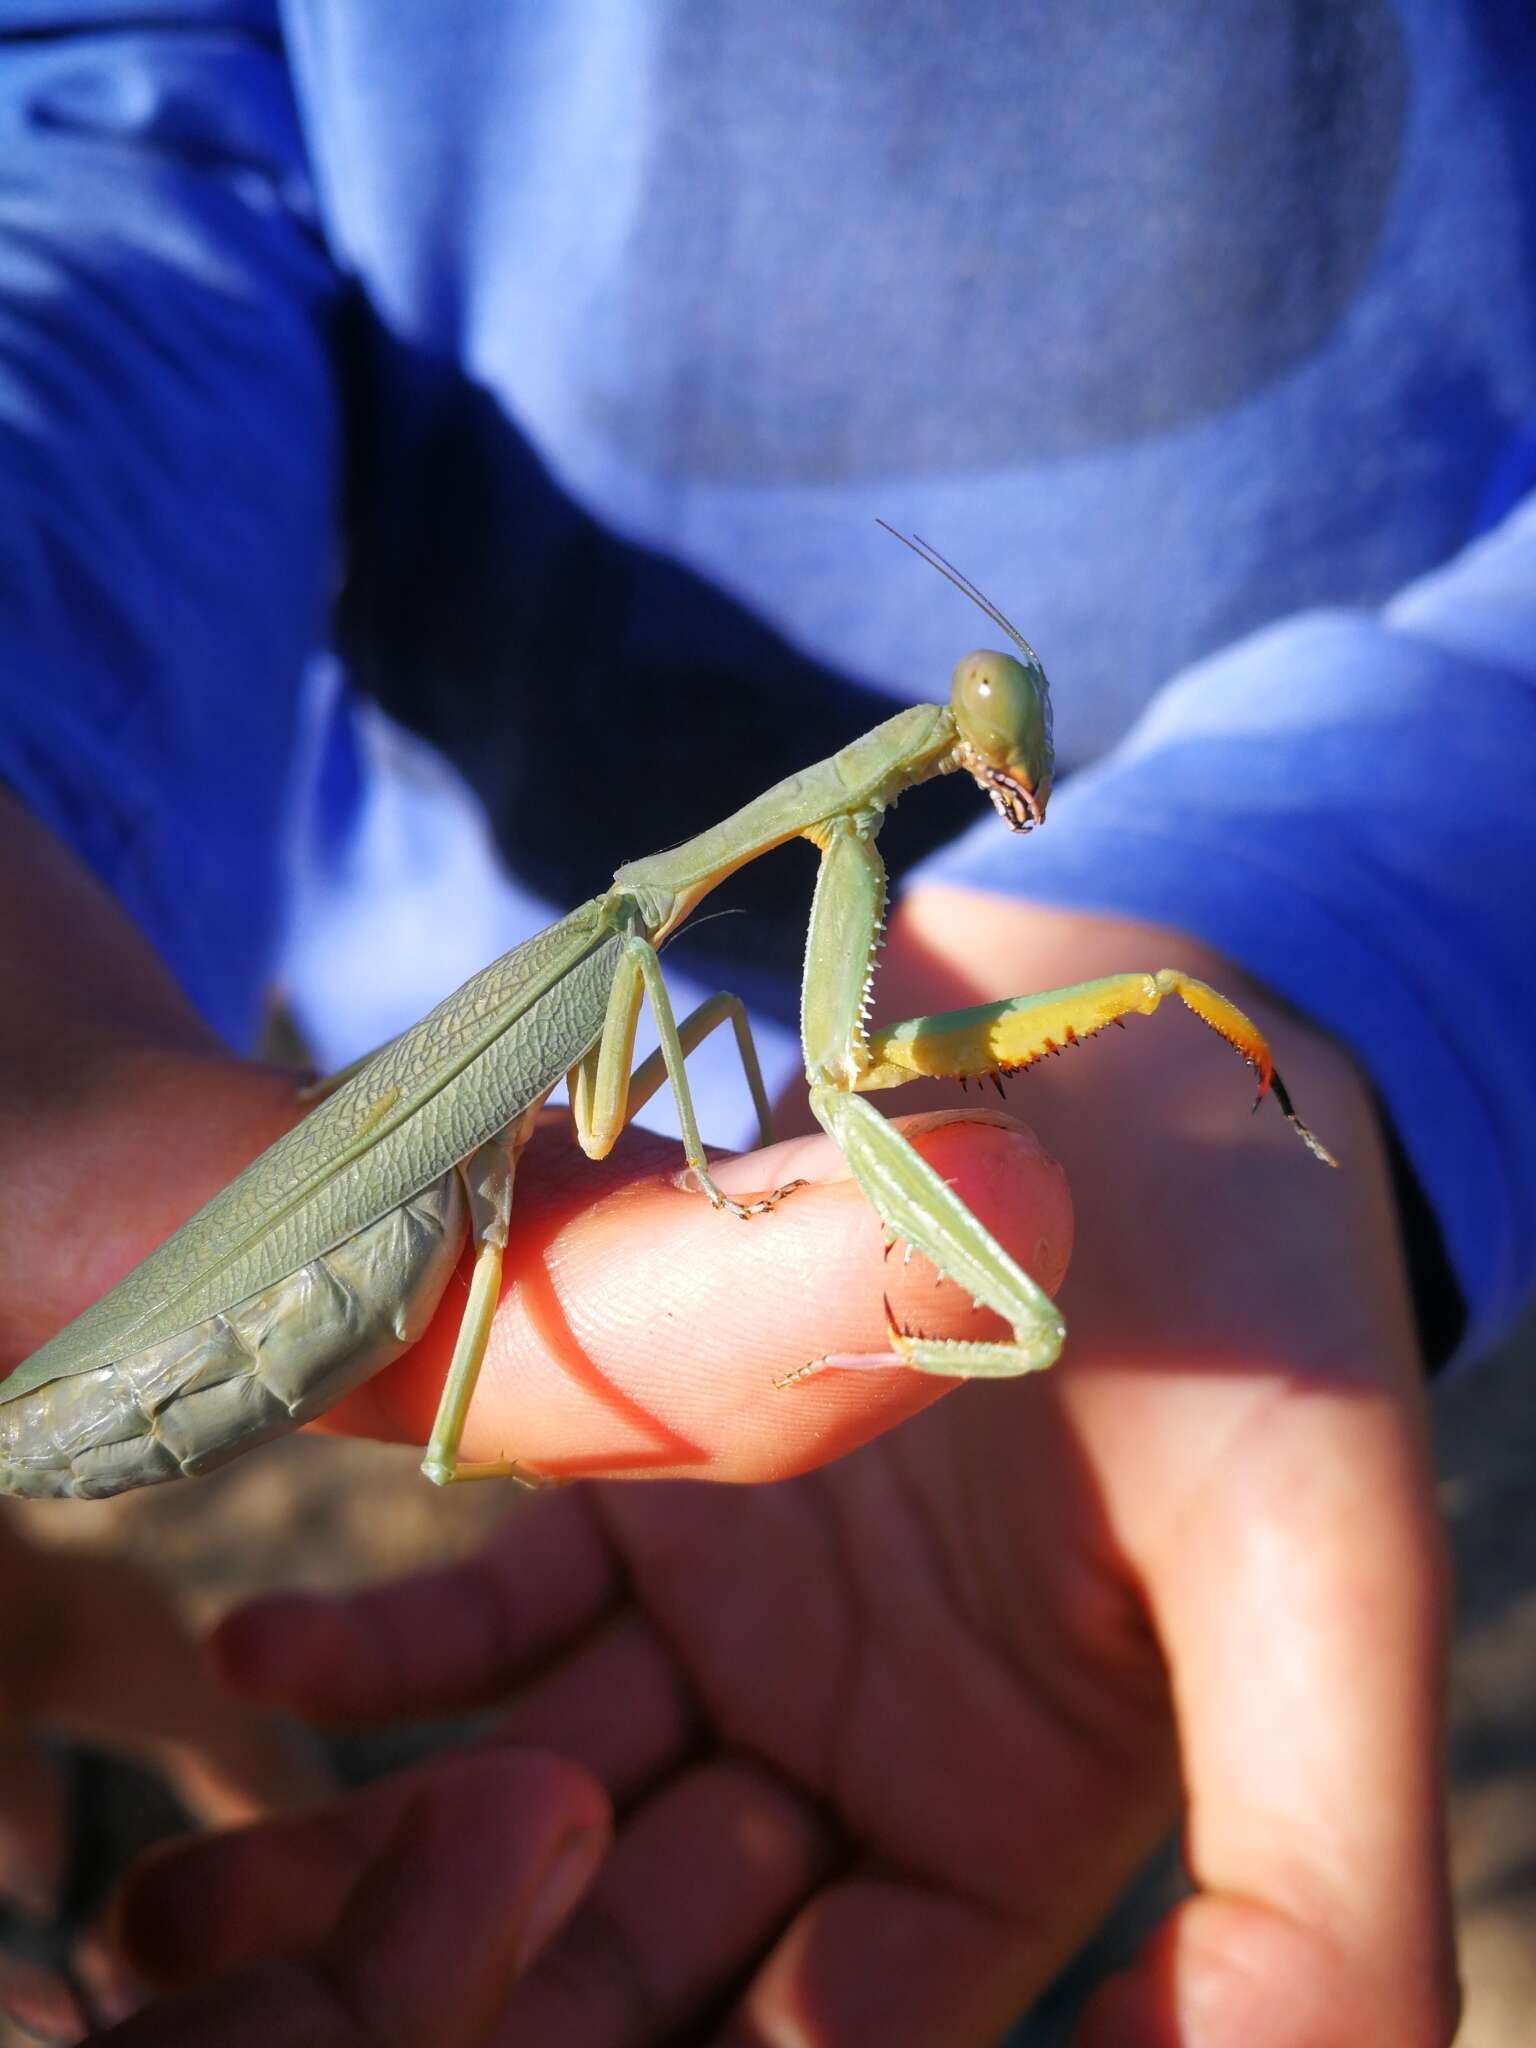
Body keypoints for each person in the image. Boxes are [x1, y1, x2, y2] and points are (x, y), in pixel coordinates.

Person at [3, 3, 1533, 2040]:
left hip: (670, 1486)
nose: (1005, 758)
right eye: (994, 739)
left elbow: (788, 1065)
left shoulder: (754, 919)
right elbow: (102, 101)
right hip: (292, 1305)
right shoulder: (677, 925)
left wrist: (1243, 947)